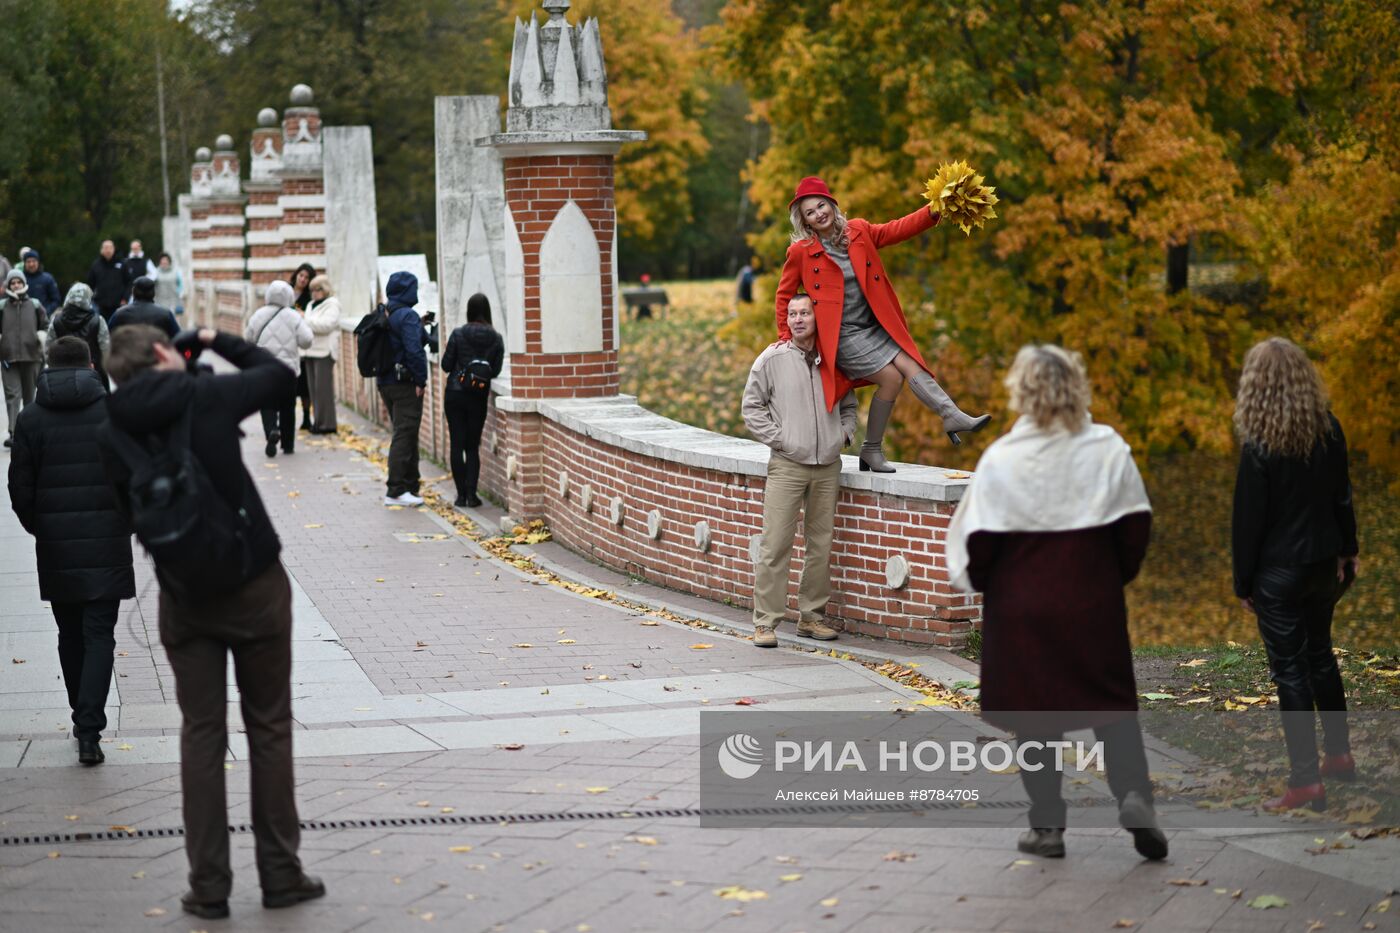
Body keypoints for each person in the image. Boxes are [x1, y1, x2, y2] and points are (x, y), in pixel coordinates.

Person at [98, 324, 325, 920]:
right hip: (254, 585)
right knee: (269, 727)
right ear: (162, 353)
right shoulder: (205, 396)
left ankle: (208, 886)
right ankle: (281, 874)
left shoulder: (112, 430)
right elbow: (281, 375)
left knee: (202, 733)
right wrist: (213, 337)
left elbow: (125, 516)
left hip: (184, 597)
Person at [945, 344, 1167, 862]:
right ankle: (1134, 795)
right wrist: (1109, 579)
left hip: (1022, 608)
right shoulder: (1108, 448)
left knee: (1034, 717)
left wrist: (990, 586)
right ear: (1076, 386)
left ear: (1021, 390)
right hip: (1091, 599)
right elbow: (1136, 527)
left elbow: (978, 544)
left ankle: (1047, 827)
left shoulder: (1002, 458)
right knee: (1111, 706)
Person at [776, 177, 991, 472]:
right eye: (810, 213)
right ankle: (909, 432)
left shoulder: (859, 231)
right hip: (841, 336)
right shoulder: (801, 252)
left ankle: (932, 422)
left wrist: (936, 208)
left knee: (900, 370)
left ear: (832, 204)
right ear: (805, 221)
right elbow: (784, 295)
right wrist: (787, 337)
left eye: (821, 205)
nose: (818, 214)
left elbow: (899, 228)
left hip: (873, 326)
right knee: (894, 373)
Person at [1232, 337, 1359, 813]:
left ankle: (1305, 781)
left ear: (1256, 386)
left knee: (1290, 670)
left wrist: (1243, 583)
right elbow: (1341, 495)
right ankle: (1340, 756)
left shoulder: (1259, 446)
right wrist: (1350, 550)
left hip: (1279, 574)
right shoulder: (1329, 429)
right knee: (1321, 657)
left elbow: (1249, 522)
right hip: (1324, 564)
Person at [7, 336, 133, 766]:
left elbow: (19, 488)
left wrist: (41, 527)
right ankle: (89, 731)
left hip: (57, 546)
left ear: (47, 366)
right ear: (91, 366)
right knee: (100, 635)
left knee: (69, 634)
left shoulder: (30, 419)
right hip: (108, 542)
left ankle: (81, 720)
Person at [742, 294, 856, 648]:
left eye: (804, 312)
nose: (798, 319)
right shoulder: (772, 359)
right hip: (788, 466)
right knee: (775, 544)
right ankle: (765, 623)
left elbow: (849, 403)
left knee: (820, 545)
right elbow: (751, 407)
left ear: (816, 316)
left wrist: (844, 434)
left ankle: (812, 618)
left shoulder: (833, 360)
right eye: (792, 314)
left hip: (827, 467)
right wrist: (782, 441)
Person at [440, 292, 504, 507]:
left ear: (468, 311)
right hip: (478, 397)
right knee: (472, 446)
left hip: (455, 395)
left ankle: (459, 496)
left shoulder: (458, 334)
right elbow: (495, 370)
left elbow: (446, 365)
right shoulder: (496, 338)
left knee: (456, 444)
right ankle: (472, 495)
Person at [377, 271, 429, 507]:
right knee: (404, 434)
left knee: (406, 432)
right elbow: (414, 350)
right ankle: (396, 490)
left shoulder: (386, 311)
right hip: (404, 383)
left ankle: (410, 487)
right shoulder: (407, 315)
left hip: (385, 382)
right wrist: (421, 380)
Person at [245, 281, 312, 458]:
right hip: (288, 371)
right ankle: (288, 445)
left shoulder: (258, 315)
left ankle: (271, 431)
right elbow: (307, 340)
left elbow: (248, 340)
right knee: (288, 407)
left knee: (267, 405)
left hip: (264, 369)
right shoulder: (293, 316)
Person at [2, 268, 48, 448]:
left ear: (23, 283)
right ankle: (13, 432)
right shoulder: (2, 306)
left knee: (30, 395)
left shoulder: (35, 304)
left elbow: (45, 324)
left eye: (18, 282)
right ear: (8, 285)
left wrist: (41, 337)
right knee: (12, 395)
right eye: (12, 282)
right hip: (7, 357)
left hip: (32, 356)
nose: (16, 285)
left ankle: (30, 431)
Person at [49, 283, 112, 390]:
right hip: (93, 373)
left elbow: (48, 349)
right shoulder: (98, 321)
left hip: (61, 373)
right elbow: (105, 348)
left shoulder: (56, 321)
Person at [302, 275, 340, 434]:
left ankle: (327, 425)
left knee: (323, 390)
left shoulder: (333, 305)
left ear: (324, 289)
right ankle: (317, 422)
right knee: (313, 391)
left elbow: (326, 326)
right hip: (310, 351)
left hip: (324, 352)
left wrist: (304, 319)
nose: (313, 293)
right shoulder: (311, 304)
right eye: (311, 290)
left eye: (317, 289)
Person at [290, 263, 317, 429]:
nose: (303, 279)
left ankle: (307, 417)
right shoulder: (285, 291)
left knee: (304, 385)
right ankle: (287, 417)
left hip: (301, 342)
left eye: (307, 278)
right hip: (286, 339)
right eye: (301, 275)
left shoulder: (308, 299)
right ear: (296, 275)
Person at [110, 276, 179, 337]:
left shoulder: (120, 313)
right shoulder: (165, 314)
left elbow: (108, 336)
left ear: (133, 291)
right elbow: (177, 337)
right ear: (153, 292)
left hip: (127, 351)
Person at [87, 240, 129, 320]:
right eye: (106, 248)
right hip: (100, 305)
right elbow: (90, 284)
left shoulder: (122, 264)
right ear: (101, 250)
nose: (108, 250)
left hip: (118, 305)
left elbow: (128, 282)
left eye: (110, 248)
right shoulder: (96, 265)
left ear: (114, 249)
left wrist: (125, 298)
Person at [20, 249, 61, 314]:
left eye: (34, 261)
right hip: (24, 317)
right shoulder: (20, 280)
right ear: (24, 263)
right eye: (28, 261)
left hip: (44, 318)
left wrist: (46, 312)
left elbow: (56, 300)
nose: (31, 264)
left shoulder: (47, 278)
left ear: (38, 262)